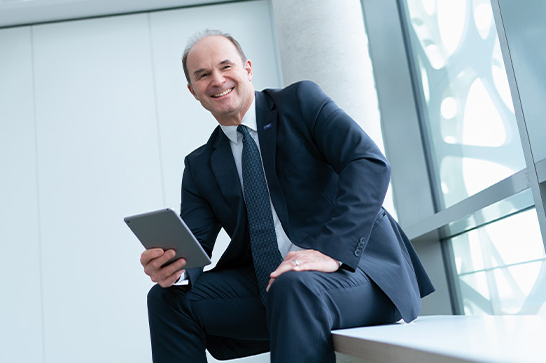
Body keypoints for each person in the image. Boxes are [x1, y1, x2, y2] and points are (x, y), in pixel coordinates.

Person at [140, 30, 434, 363]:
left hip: (358, 274)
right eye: (203, 75)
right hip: (274, 287)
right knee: (166, 301)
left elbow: (367, 162)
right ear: (193, 91)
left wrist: (330, 251)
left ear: (248, 69)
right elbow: (193, 246)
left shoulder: (300, 103)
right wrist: (173, 269)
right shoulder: (200, 165)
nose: (217, 80)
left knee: (293, 287)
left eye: (226, 66)